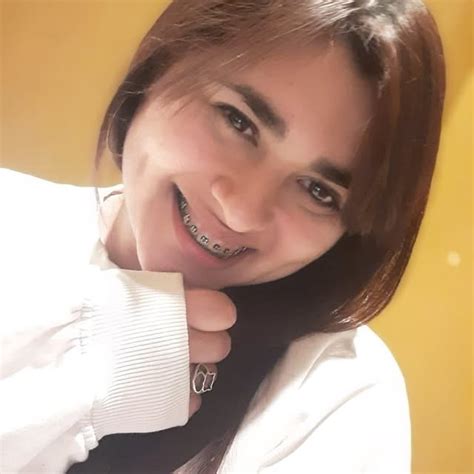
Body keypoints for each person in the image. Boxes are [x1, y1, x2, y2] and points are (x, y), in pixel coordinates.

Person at [0, 0, 445, 472]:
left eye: (318, 191)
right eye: (238, 121)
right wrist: (67, 364)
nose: (241, 212)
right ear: (162, 63)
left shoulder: (335, 398)